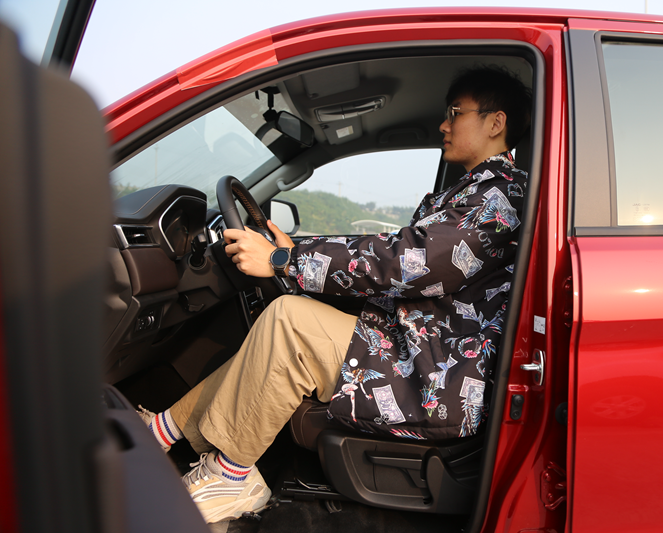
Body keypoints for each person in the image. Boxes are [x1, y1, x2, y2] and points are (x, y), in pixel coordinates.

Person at [138, 65, 532, 523]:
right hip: (413, 344)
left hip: (434, 375)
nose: (443, 125)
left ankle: (231, 475)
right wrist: (296, 252)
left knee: (289, 322)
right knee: (280, 326)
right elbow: (400, 252)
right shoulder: (473, 191)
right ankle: (161, 432)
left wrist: (284, 260)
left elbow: (410, 261)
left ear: (495, 123)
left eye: (455, 113)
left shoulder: (500, 196)